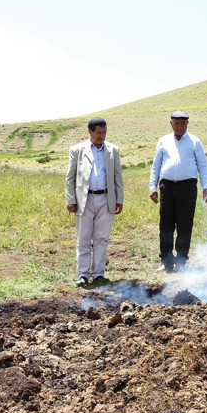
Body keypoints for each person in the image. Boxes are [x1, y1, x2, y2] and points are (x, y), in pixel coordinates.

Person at [149, 110, 207, 272]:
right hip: (167, 187)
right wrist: (152, 187)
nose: (180, 126)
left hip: (188, 187)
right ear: (171, 124)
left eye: (183, 123)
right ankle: (166, 261)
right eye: (176, 123)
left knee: (185, 225)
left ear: (187, 124)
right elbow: (156, 166)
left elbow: (203, 165)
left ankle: (181, 261)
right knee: (166, 224)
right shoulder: (163, 141)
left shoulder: (195, 142)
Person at [65, 117, 124, 286]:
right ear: (90, 132)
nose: (102, 136)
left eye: (104, 132)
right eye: (99, 132)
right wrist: (71, 199)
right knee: (83, 238)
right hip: (85, 199)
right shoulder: (77, 150)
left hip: (106, 198)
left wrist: (119, 199)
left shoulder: (113, 150)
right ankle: (82, 274)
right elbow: (70, 178)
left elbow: (118, 176)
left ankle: (98, 273)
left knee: (102, 238)